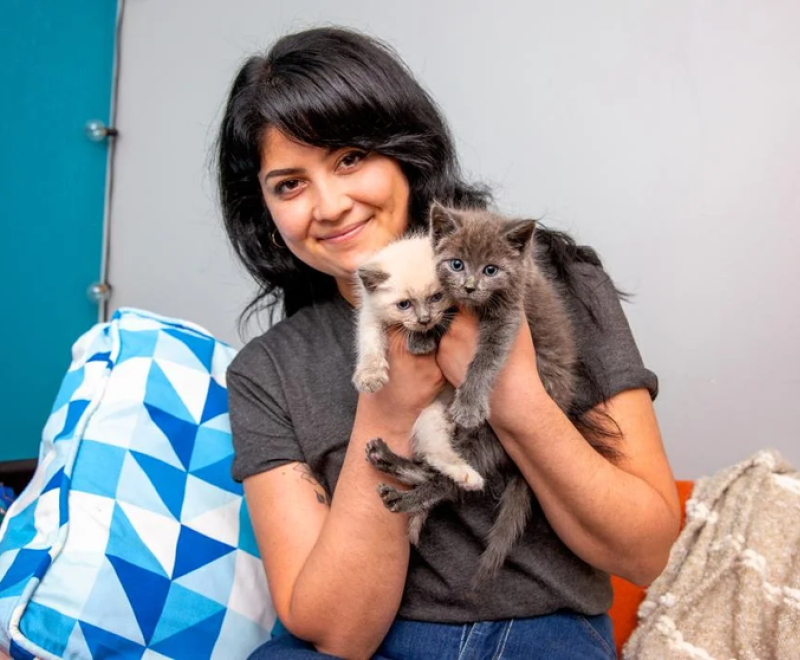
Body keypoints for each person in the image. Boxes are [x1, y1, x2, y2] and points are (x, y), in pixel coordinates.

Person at [217, 26, 681, 660]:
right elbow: (336, 633)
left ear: (405, 154)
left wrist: (512, 392)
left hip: (538, 633)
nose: (329, 205)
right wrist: (388, 410)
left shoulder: (556, 284)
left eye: (350, 158)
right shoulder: (266, 372)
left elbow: (648, 552)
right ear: (266, 215)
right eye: (289, 184)